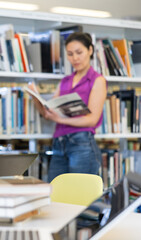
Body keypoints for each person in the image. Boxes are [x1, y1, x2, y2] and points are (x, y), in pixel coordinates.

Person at [28, 32, 107, 182]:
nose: (75, 58)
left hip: (82, 143)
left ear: (90, 50)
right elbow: (48, 114)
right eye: (70, 54)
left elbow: (92, 119)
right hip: (59, 143)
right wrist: (35, 98)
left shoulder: (97, 80)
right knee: (56, 192)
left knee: (80, 195)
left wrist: (61, 120)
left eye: (79, 52)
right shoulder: (65, 81)